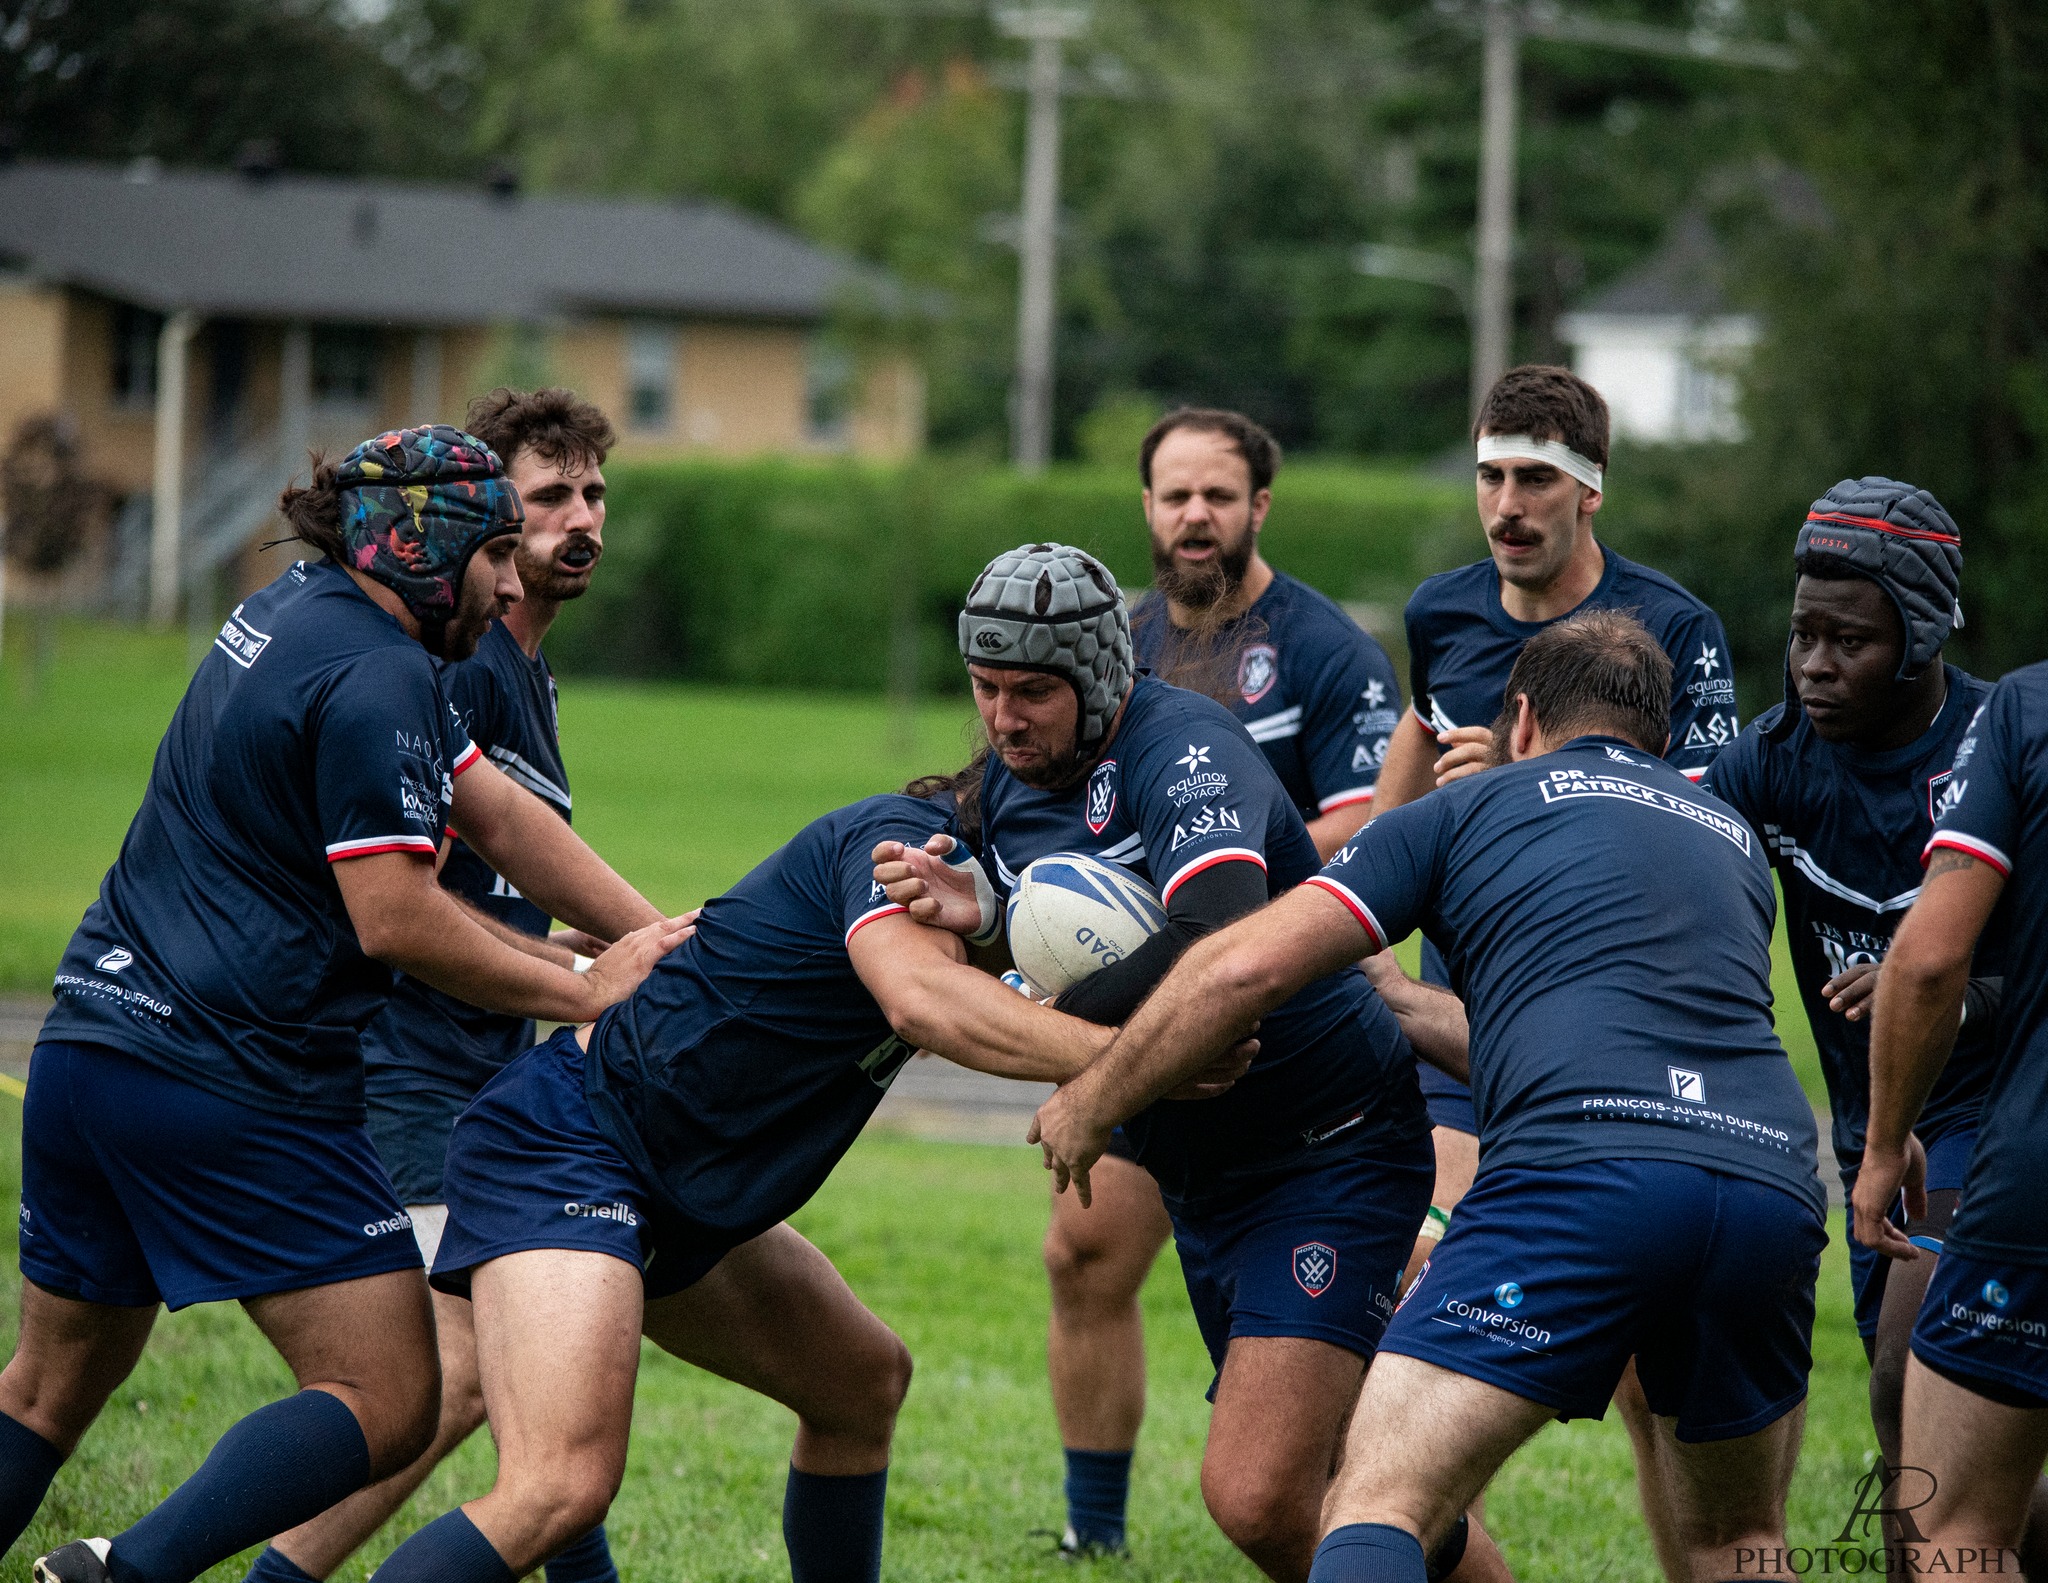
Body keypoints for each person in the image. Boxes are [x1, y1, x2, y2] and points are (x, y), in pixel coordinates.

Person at [7, 426, 690, 1583]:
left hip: (88, 1046)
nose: (508, 580)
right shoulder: (382, 674)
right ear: (425, 554)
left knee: (46, 1383)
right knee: (394, 1391)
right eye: (491, 557)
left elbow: (500, 816)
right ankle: (122, 1575)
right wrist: (581, 983)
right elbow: (398, 917)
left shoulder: (292, 607)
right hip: (229, 1077)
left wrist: (652, 939)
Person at [1032, 610, 1829, 1583]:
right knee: (1731, 1540)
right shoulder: (1727, 839)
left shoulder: (1470, 805)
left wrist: (1093, 1091)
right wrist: (1405, 1002)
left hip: (1584, 1172)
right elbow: (1562, 1035)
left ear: (1520, 719)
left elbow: (1239, 967)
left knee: (1376, 1502)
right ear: (1659, 741)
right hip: (1767, 1177)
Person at [355, 776, 1237, 1583]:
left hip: (677, 1186)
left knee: (859, 1384)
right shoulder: (902, 850)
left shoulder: (986, 902)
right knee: (558, 1486)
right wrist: (1137, 1060)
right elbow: (924, 1004)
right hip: (570, 1141)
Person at [877, 544, 1507, 1583]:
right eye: (984, 689)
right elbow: (1067, 923)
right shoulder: (1015, 776)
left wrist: (1063, 1043)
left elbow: (1210, 936)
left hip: (1325, 1151)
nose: (1001, 717)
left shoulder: (1187, 750)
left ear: (1097, 676)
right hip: (1205, 1172)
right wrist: (981, 917)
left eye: (1031, 690)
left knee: (1259, 1493)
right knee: (1352, 1481)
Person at [239, 391, 627, 1583]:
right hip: (405, 1075)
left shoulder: (523, 668)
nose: (578, 519)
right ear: (476, 520)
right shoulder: (457, 665)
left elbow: (483, 882)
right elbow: (402, 897)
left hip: (483, 1074)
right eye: (544, 499)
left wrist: (566, 946)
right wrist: (572, 975)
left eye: (593, 493)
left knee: (538, 1389)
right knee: (447, 1379)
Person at [1369, 365, 1737, 1575]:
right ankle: (1405, 1530)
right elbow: (1406, 785)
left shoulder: (1671, 631)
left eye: (1535, 477)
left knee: (1650, 1383)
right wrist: (1393, 858)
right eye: (1489, 474)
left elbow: (1705, 834)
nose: (1506, 502)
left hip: (1615, 1024)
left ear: (1589, 493)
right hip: (1460, 1016)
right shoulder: (1440, 611)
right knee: (1420, 1277)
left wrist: (1517, 799)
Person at [1043, 409, 1406, 1560]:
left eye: (1216, 494)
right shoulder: (1121, 644)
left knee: (1302, 1413)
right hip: (1155, 1008)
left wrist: (1215, 867)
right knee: (1082, 1250)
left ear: (1259, 507)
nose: (1192, 515)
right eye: (1171, 495)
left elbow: (1365, 821)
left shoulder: (1324, 648)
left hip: (1278, 1013)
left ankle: (1395, 1514)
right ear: (1145, 508)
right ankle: (1091, 1529)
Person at [1701, 478, 2005, 1506]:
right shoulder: (1771, 760)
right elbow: (1670, 852)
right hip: (1865, 1136)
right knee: (1931, 1443)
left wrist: (1946, 987)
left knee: (1907, 1394)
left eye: (1849, 642)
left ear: (1918, 638)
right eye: (1801, 637)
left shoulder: (1993, 749)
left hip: (1988, 1118)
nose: (1815, 668)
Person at [1854, 662, 2048, 1574]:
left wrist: (1885, 1142)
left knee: (1958, 1528)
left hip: (2031, 1164)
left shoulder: (2025, 707)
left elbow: (1928, 960)